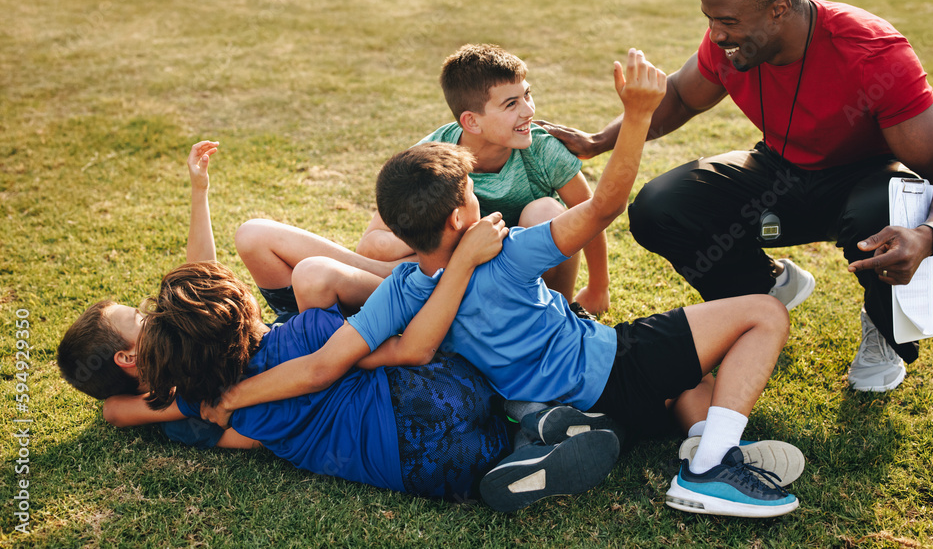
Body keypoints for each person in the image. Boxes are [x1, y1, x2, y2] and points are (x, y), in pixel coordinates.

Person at [200, 49, 805, 518]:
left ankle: (693, 432)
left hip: (579, 396)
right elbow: (601, 210)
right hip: (613, 364)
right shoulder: (508, 257)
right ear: (463, 216)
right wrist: (639, 116)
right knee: (761, 315)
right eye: (472, 194)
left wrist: (233, 398)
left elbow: (349, 362)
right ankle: (711, 466)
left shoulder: (403, 294)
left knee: (692, 384)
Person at [59, 141, 618, 508]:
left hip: (438, 470)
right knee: (436, 367)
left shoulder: (195, 405)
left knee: (415, 390)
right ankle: (527, 419)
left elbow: (230, 435)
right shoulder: (306, 333)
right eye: (140, 318)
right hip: (445, 393)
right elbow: (391, 355)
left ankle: (519, 444)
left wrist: (235, 407)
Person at [539, 0, 933, 393]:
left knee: (882, 211)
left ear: (779, 9)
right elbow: (678, 97)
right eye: (710, 20)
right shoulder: (731, 46)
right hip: (781, 169)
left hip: (864, 178)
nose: (716, 36)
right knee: (659, 206)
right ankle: (762, 290)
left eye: (727, 22)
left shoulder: (871, 52)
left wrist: (928, 235)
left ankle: (884, 331)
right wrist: (597, 141)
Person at [356, 43, 611, 317]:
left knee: (545, 211)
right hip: (463, 271)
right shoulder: (431, 159)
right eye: (511, 104)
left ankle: (552, 314)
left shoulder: (544, 150)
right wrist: (453, 241)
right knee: (395, 249)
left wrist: (598, 288)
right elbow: (371, 245)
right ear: (472, 122)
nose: (528, 111)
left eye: (527, 95)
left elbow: (590, 215)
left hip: (528, 273)